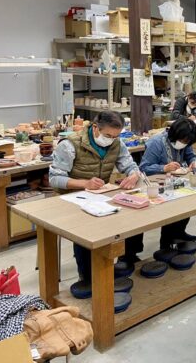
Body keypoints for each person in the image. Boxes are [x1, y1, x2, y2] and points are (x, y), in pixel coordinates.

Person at [49, 111, 141, 282]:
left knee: (132, 214)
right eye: (108, 135)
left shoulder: (116, 143)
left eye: (116, 136)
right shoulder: (70, 144)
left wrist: (133, 175)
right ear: (95, 127)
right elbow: (54, 179)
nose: (111, 140)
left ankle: (127, 260)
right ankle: (87, 277)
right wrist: (85, 183)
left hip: (99, 196)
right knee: (86, 229)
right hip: (72, 198)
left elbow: (129, 165)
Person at [140, 117, 196, 248]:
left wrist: (194, 162)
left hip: (175, 181)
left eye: (187, 142)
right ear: (174, 135)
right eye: (183, 141)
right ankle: (166, 241)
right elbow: (143, 168)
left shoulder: (185, 141)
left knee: (188, 199)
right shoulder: (156, 143)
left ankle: (179, 233)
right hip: (157, 184)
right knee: (171, 208)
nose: (184, 144)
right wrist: (163, 168)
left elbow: (191, 156)